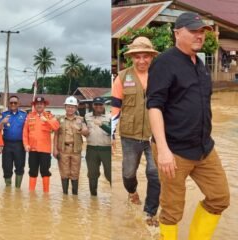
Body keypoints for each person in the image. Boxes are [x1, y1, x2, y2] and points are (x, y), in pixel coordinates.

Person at [147, 12, 230, 239]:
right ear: (177, 33)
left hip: (204, 148)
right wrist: (163, 150)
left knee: (220, 197)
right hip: (174, 151)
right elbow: (154, 106)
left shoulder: (200, 64)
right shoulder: (164, 63)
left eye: (202, 31)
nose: (199, 35)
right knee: (172, 210)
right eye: (193, 30)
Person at [111, 36, 160, 226]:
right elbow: (116, 106)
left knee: (155, 173)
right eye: (137, 57)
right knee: (128, 174)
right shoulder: (122, 77)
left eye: (145, 56)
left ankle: (150, 213)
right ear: (131, 57)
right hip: (129, 136)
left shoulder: (161, 76)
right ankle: (132, 192)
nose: (142, 61)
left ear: (151, 57)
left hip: (155, 135)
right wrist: (112, 134)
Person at [23, 97, 59, 193]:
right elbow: (25, 133)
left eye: (41, 104)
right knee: (33, 172)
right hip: (32, 149)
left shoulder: (50, 116)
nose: (39, 105)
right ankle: (31, 194)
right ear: (34, 105)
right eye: (37, 104)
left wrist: (46, 120)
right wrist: (26, 145)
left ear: (44, 105)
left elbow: (56, 127)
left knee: (45, 171)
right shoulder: (29, 116)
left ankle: (46, 194)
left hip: (45, 150)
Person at [53, 96, 88, 195]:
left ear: (76, 108)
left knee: (75, 173)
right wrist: (54, 149)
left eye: (73, 107)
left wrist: (81, 129)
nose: (70, 109)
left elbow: (86, 132)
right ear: (65, 107)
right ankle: (65, 196)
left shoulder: (80, 120)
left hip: (76, 150)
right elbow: (55, 134)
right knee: (64, 173)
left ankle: (75, 195)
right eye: (68, 106)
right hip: (63, 149)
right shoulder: (59, 119)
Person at [0, 95, 27, 188]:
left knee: (20, 166)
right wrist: (2, 122)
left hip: (20, 145)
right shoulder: (4, 114)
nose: (13, 104)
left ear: (19, 104)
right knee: (6, 166)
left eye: (15, 102)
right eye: (11, 103)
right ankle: (8, 189)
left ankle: (18, 189)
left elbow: (29, 130)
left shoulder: (24, 115)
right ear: (8, 104)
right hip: (7, 144)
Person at [84, 97, 111, 196]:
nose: (98, 106)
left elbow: (113, 132)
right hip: (91, 149)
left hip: (107, 149)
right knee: (92, 174)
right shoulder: (87, 116)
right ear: (93, 105)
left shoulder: (110, 116)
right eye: (96, 104)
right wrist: (83, 132)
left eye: (100, 104)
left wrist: (102, 125)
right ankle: (93, 199)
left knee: (110, 174)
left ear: (104, 105)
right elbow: (84, 130)